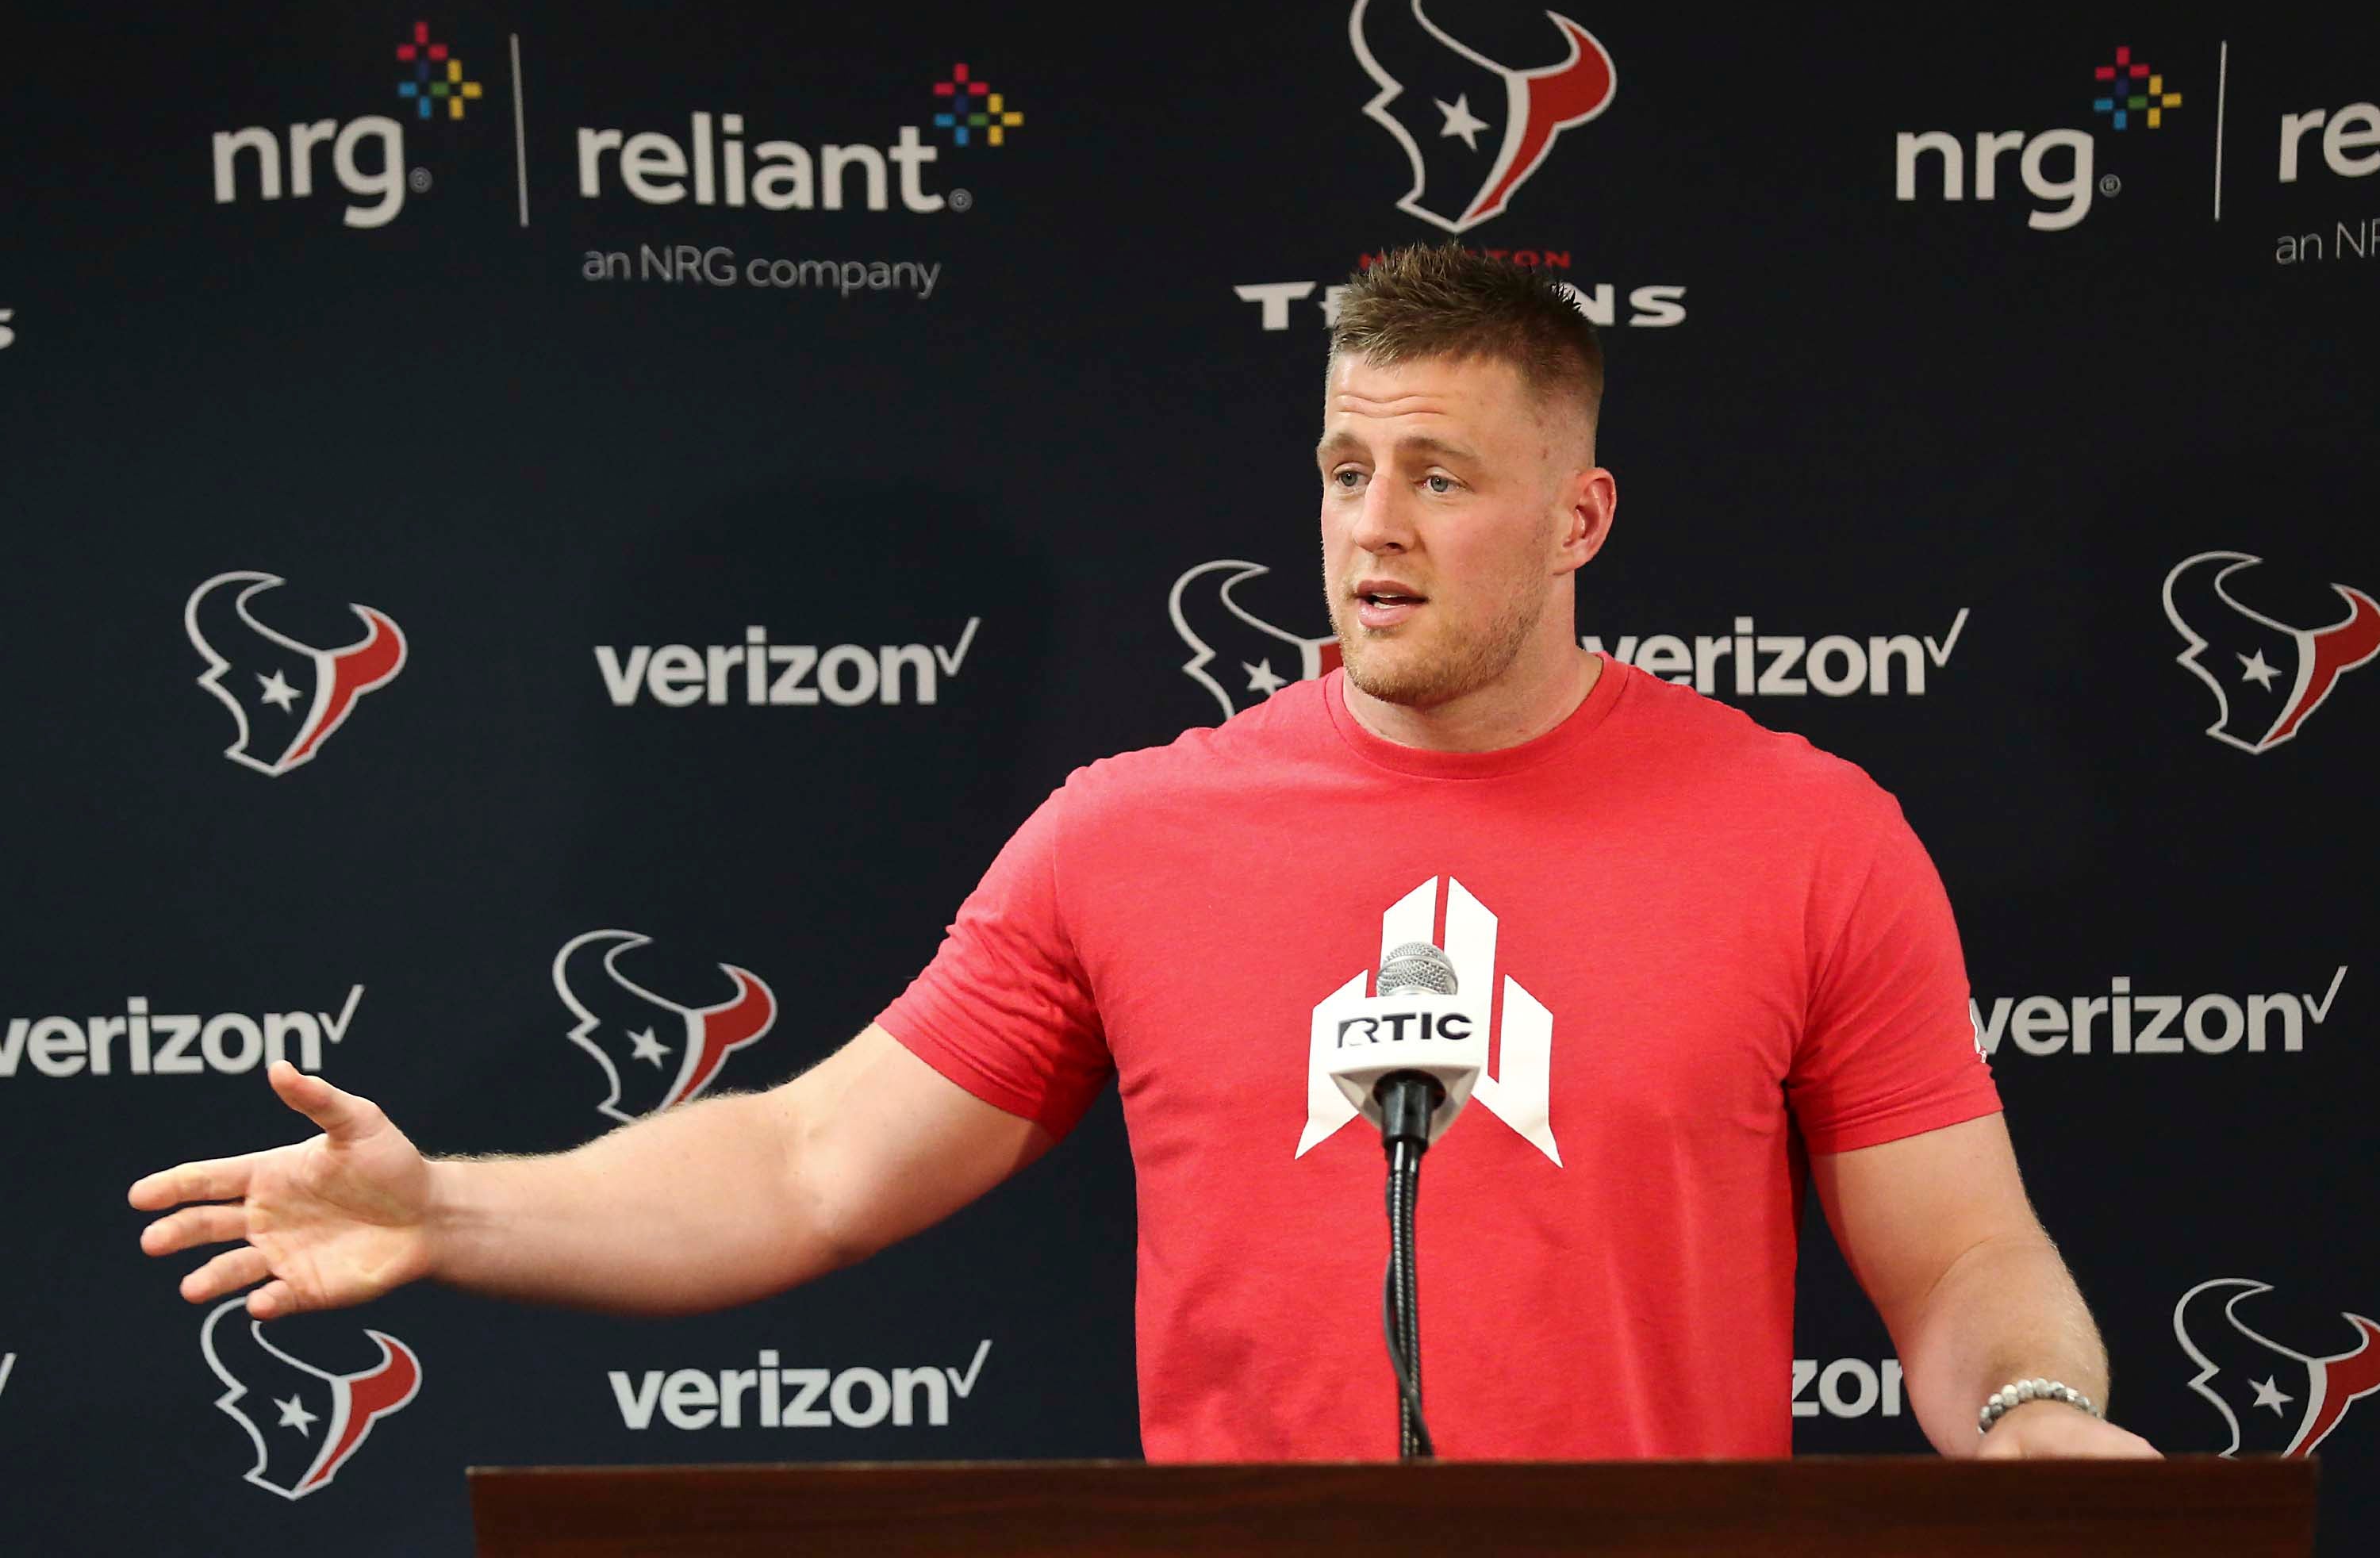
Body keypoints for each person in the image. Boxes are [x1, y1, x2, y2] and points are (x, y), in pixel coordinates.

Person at [132, 244, 2159, 1463]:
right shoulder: (1133, 833)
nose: (1373, 527)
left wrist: (2030, 1413)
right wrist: (453, 1210)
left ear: (1580, 518)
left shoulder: (1806, 836)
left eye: (1441, 476)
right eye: (1345, 468)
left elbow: (1966, 1258)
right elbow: (811, 1164)